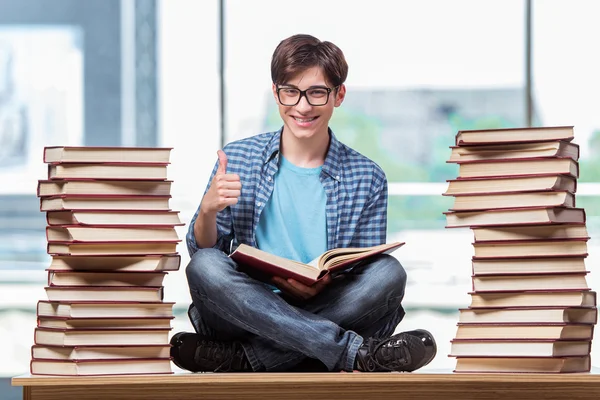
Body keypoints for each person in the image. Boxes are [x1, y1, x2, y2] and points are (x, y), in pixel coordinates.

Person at [170, 34, 436, 373]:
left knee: (388, 272)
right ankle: (351, 353)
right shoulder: (238, 157)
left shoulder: (368, 176)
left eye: (317, 92)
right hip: (247, 310)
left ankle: (246, 359)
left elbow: (361, 270)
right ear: (276, 92)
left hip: (328, 304)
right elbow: (205, 251)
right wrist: (207, 210)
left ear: (339, 94)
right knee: (205, 265)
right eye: (291, 91)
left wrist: (322, 284)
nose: (302, 106)